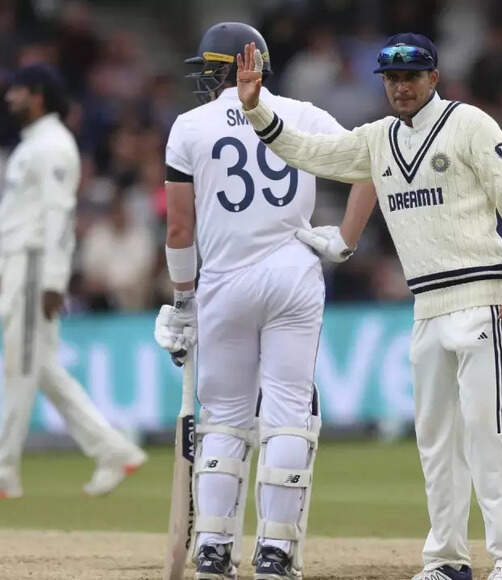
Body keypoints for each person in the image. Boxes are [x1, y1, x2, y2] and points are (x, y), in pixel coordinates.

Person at [236, 34, 502, 580]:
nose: (400, 87)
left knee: (487, 435)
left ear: (433, 78)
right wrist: (257, 110)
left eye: (411, 77)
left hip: (483, 301)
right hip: (426, 306)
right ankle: (447, 560)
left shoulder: (470, 124)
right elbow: (311, 152)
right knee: (436, 443)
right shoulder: (378, 139)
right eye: (392, 79)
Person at [152, 23, 378, 580]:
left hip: (224, 282)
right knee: (288, 414)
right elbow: (371, 165)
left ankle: (212, 547)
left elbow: (179, 229)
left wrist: (182, 301)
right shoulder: (304, 115)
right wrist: (345, 240)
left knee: (225, 418)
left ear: (223, 68)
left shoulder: (188, 127)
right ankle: (275, 552)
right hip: (293, 274)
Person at [0, 64, 146, 499]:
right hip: (19, 264)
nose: (9, 98)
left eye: (17, 90)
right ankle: (113, 450)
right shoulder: (31, 145)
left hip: (36, 266)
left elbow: (58, 216)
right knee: (39, 368)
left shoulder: (54, 145)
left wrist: (54, 278)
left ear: (37, 95)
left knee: (21, 367)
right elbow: (17, 215)